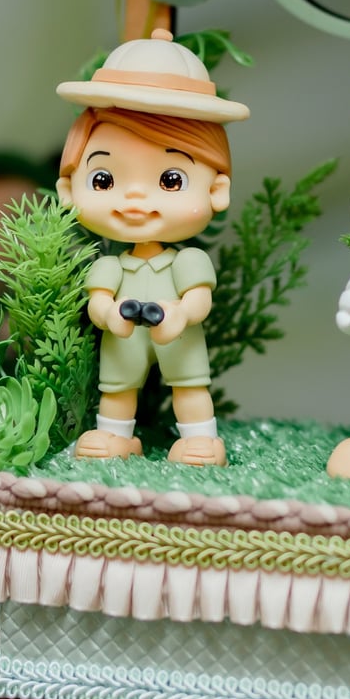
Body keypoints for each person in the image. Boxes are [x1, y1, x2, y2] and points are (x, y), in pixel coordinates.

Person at [55, 29, 249, 464]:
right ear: (68, 189)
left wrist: (179, 314)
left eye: (170, 180)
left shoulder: (189, 260)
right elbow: (98, 303)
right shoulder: (110, 265)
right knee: (117, 389)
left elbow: (199, 300)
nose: (135, 198)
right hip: (124, 337)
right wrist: (112, 315)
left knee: (190, 385)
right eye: (104, 179)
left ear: (216, 190)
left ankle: (199, 438)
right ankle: (115, 436)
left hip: (177, 332)